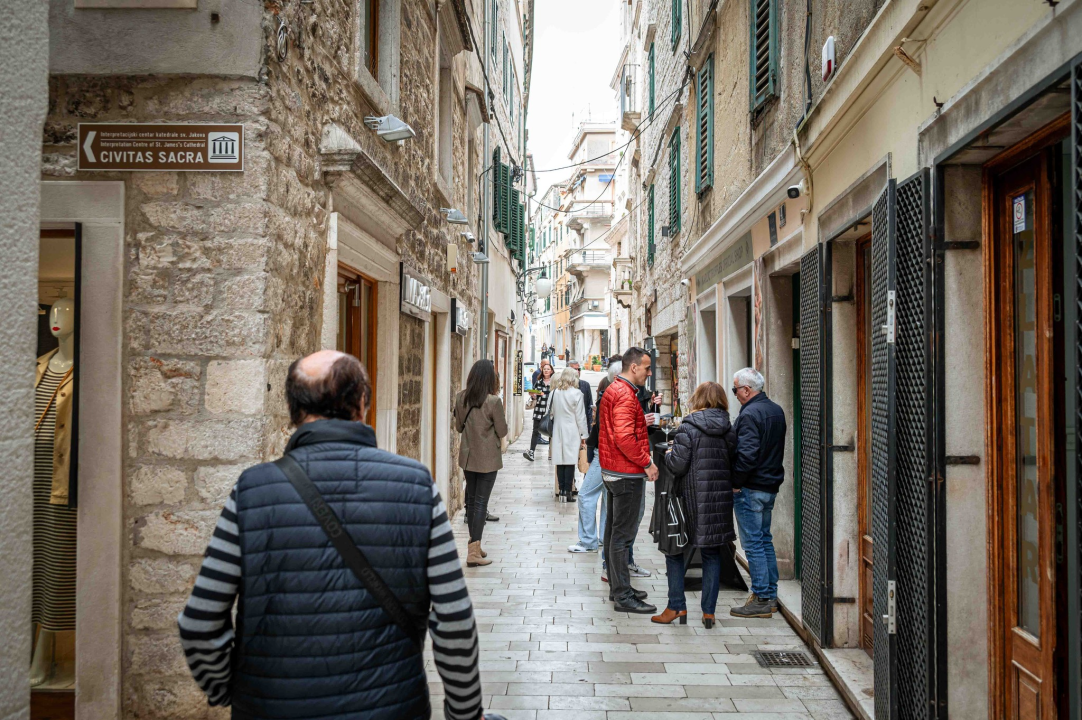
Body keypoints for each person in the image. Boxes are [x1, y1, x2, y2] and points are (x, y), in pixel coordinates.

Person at [177, 350, 504, 720]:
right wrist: (465, 713)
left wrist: (229, 690)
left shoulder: (252, 491)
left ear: (292, 410)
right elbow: (455, 620)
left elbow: (200, 622)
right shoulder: (415, 487)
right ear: (363, 403)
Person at [654, 382, 737, 628]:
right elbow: (733, 462)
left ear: (697, 400)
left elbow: (678, 465)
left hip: (688, 499)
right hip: (718, 500)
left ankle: (676, 606)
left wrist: (668, 454)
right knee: (712, 553)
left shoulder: (687, 429)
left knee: (675, 550)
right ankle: (709, 612)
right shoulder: (728, 428)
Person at [598, 346, 659, 613]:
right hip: (625, 474)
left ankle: (618, 587)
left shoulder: (615, 389)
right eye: (646, 367)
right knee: (622, 536)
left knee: (613, 533)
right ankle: (623, 595)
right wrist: (647, 462)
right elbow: (623, 437)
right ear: (633, 367)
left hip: (614, 471)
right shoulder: (624, 394)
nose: (649, 372)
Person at [729, 367, 787, 619]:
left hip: (751, 487)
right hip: (768, 485)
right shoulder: (775, 410)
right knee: (764, 540)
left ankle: (762, 597)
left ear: (746, 389)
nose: (735, 395)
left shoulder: (751, 413)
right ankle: (769, 595)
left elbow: (747, 454)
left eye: (735, 390)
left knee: (753, 543)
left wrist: (735, 481)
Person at [454, 359, 508, 567]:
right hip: (487, 459)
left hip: (468, 457)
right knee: (480, 503)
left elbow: (459, 427)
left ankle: (474, 545)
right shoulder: (493, 402)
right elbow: (502, 431)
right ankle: (473, 552)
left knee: (472, 500)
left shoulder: (461, 398)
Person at [568, 357, 621, 553]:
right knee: (607, 495)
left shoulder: (611, 396)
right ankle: (602, 538)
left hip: (605, 453)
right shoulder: (616, 395)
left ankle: (588, 540)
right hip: (609, 453)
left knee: (586, 494)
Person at [546, 367, 589, 503]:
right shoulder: (577, 393)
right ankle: (568, 492)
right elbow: (580, 417)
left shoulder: (554, 393)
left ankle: (562, 492)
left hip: (558, 429)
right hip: (572, 430)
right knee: (570, 461)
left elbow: (550, 412)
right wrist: (584, 436)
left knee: (560, 461)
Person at [523, 360, 554, 461]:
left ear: (551, 371)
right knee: (535, 431)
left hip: (550, 411)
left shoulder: (554, 383)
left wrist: (545, 395)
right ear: (542, 370)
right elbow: (534, 397)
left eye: (548, 369)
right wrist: (533, 396)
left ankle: (551, 454)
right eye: (544, 369)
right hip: (539, 410)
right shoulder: (538, 382)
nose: (546, 371)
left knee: (551, 432)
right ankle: (531, 452)